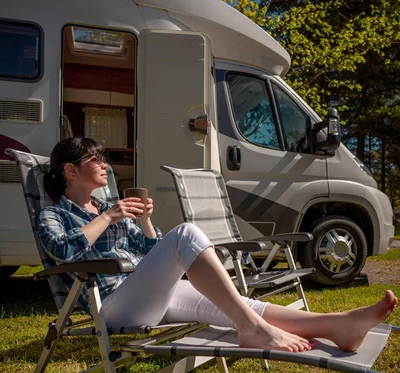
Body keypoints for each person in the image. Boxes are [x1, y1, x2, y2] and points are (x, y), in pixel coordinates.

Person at [38, 137, 397, 354]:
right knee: (187, 234)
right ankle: (252, 330)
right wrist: (110, 217)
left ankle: (338, 325)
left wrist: (144, 221)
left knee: (239, 303)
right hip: (112, 305)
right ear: (70, 170)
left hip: (145, 296)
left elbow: (152, 253)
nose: (104, 164)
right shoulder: (53, 215)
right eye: (95, 159)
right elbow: (63, 252)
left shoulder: (105, 208)